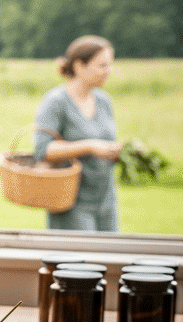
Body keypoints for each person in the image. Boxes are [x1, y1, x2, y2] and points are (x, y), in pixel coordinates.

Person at [33, 35, 124, 232]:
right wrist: (90, 146)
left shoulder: (104, 101)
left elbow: (106, 143)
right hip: (72, 202)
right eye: (102, 65)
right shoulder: (56, 102)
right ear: (79, 66)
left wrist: (116, 152)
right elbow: (43, 149)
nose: (109, 71)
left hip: (106, 199)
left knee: (110, 258)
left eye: (110, 65)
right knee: (79, 260)